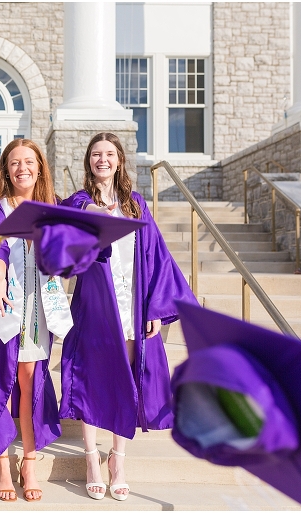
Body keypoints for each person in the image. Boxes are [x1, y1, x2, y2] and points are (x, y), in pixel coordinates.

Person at [59, 132, 196, 501]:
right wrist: (90, 216)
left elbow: (157, 257)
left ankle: (117, 459)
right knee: (91, 376)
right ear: (88, 161)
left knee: (128, 377)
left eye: (109, 153)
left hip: (132, 304)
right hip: (94, 304)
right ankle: (91, 458)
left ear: (119, 160)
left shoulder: (135, 205)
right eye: (96, 154)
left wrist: (155, 308)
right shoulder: (78, 202)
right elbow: (67, 244)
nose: (102, 160)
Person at [0, 138, 71, 502]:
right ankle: (2, 462)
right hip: (3, 308)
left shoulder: (54, 207)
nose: (22, 168)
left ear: (40, 166)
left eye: (29, 161)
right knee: (1, 382)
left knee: (30, 381)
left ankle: (29, 461)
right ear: (5, 170)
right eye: (14, 162)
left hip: (39, 310)